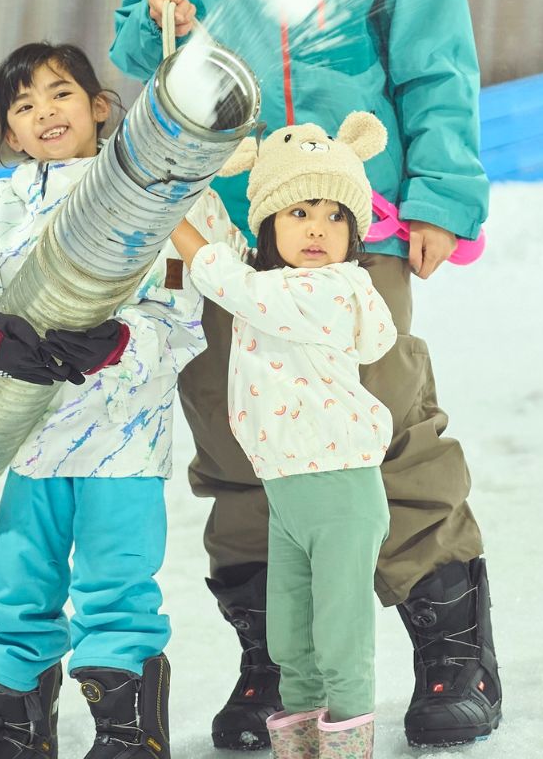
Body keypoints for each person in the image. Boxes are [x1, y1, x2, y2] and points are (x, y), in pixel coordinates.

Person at [110, 0, 501, 750]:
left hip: (348, 210)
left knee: (386, 415)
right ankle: (271, 662)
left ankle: (450, 649)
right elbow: (134, 48)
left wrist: (443, 192)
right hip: (224, 217)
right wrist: (158, 19)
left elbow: (434, 51)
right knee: (236, 430)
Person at [0, 41, 207, 759]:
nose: (44, 110)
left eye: (60, 93)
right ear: (10, 134)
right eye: (23, 104)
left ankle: (127, 731)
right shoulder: (8, 200)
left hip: (122, 440)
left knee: (115, 584)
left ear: (100, 108)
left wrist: (120, 341)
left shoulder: (160, 190)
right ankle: (17, 727)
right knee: (17, 585)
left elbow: (187, 305)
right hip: (30, 441)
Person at [171, 113, 396, 759]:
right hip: (290, 494)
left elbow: (228, 280)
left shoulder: (334, 288)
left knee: (339, 640)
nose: (318, 229)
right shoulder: (271, 282)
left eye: (333, 215)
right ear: (269, 223)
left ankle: (350, 746)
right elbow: (225, 245)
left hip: (341, 493)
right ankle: (298, 749)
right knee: (291, 645)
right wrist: (183, 184)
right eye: (298, 212)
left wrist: (176, 226)